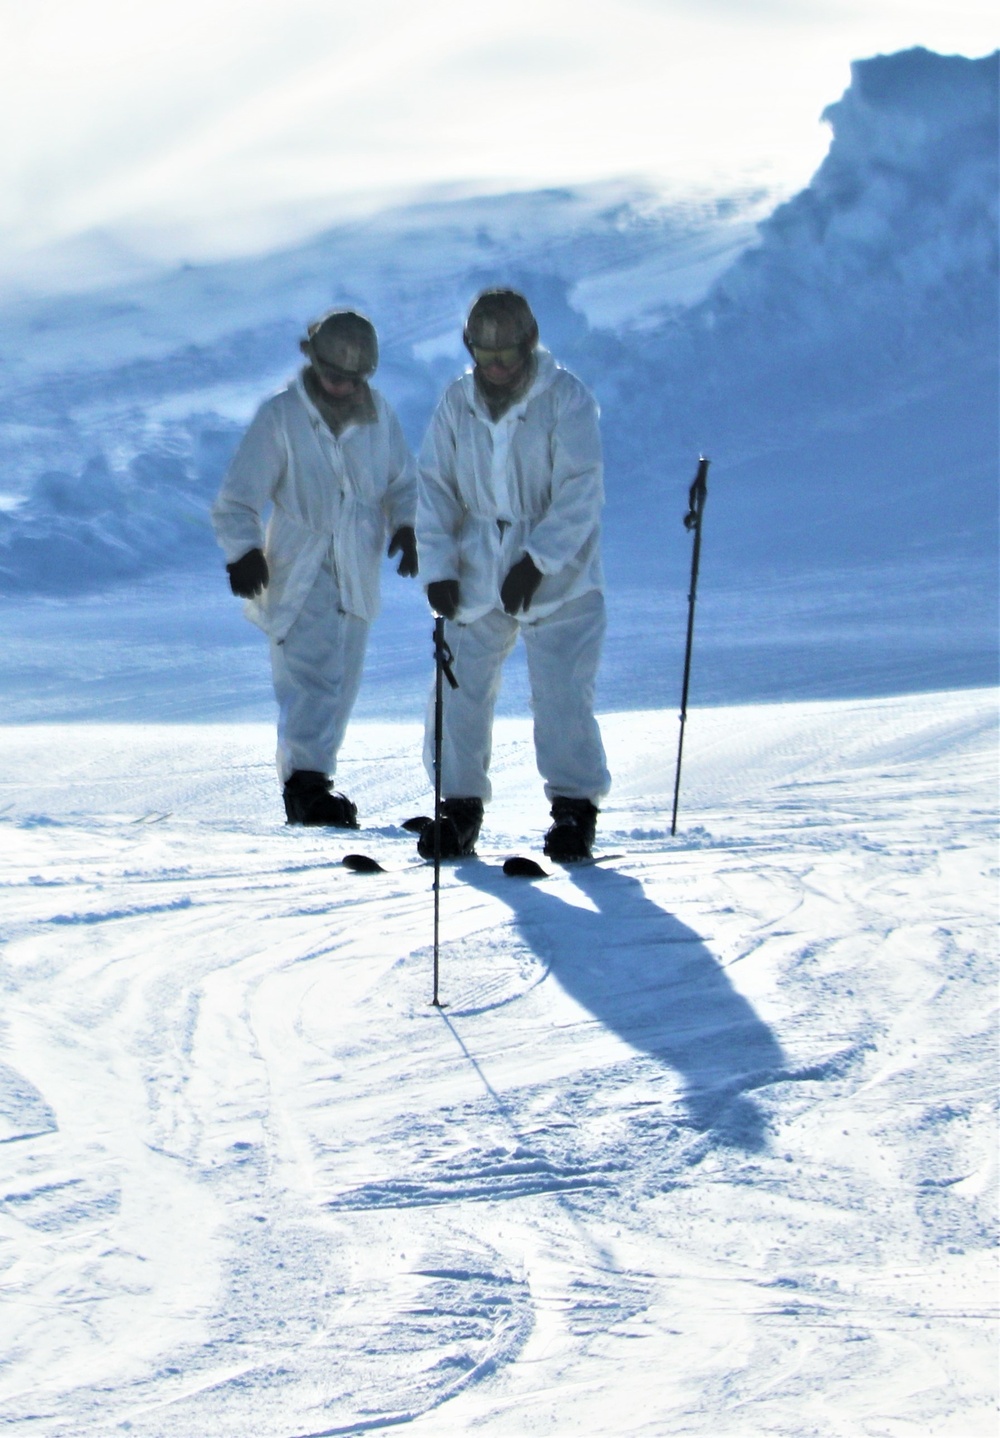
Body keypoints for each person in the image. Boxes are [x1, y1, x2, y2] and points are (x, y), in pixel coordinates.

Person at [415, 288, 610, 862]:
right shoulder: (456, 402)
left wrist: (539, 559)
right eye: (484, 354)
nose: (495, 368)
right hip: (476, 561)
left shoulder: (566, 399)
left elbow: (581, 489)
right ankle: (459, 805)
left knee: (562, 692)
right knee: (457, 687)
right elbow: (434, 487)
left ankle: (575, 810)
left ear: (529, 344)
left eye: (506, 355)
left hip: (558, 573)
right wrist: (439, 567)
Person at [212, 309, 418, 827]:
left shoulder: (380, 417)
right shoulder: (280, 417)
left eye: (354, 378)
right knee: (311, 680)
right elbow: (238, 500)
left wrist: (408, 525)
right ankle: (305, 789)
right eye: (334, 375)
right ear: (313, 361)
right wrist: (243, 552)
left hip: (358, 564)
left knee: (342, 680)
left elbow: (402, 482)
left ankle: (315, 780)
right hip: (299, 567)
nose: (343, 386)